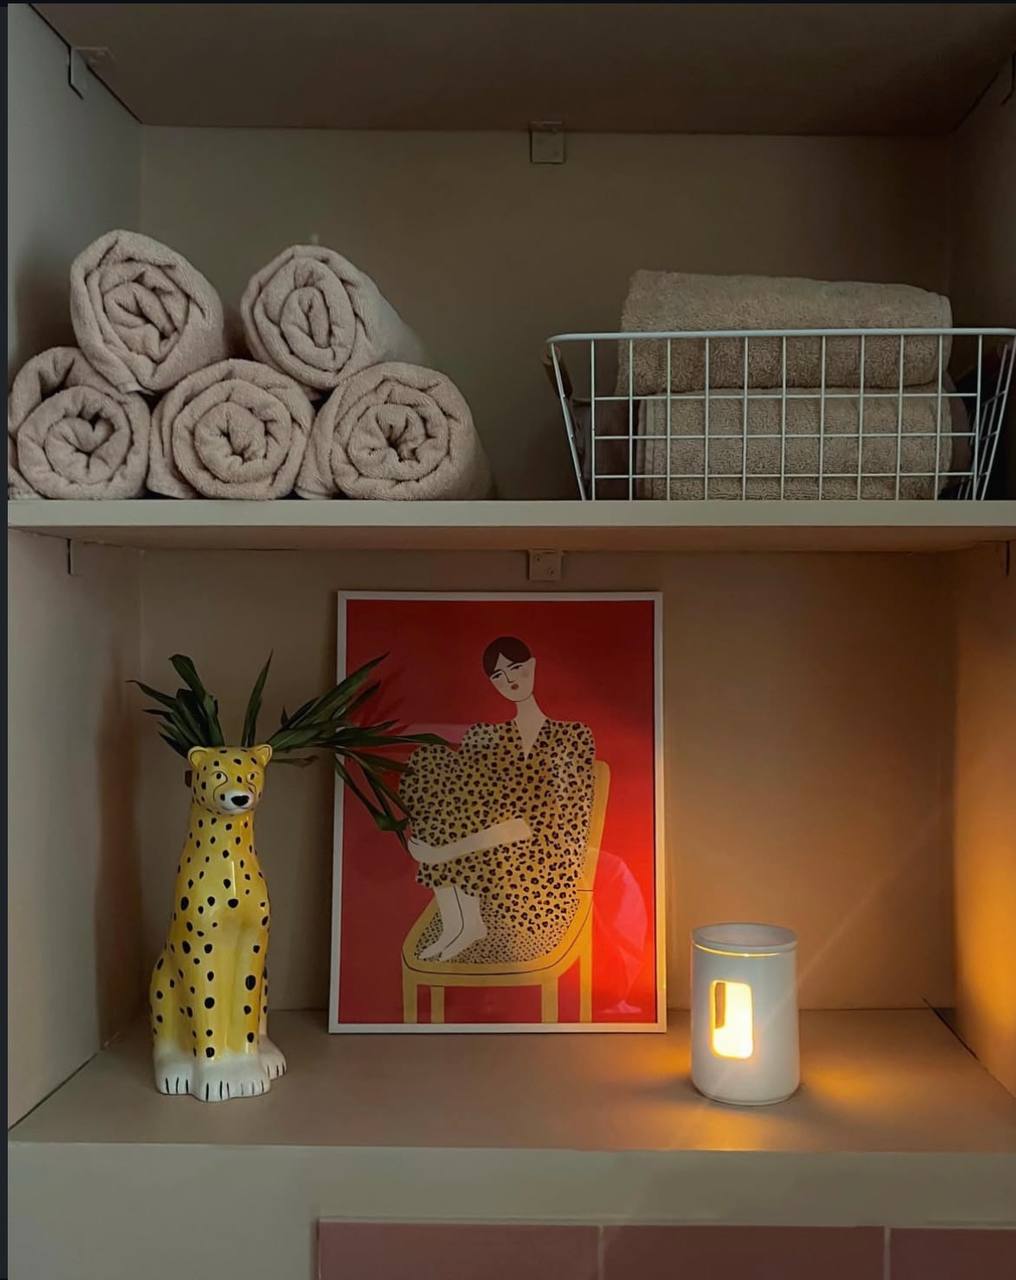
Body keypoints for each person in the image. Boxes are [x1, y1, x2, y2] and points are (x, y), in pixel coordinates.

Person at [401, 636, 595, 963]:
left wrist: (443, 852)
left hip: (541, 858)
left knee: (467, 820)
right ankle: (458, 924)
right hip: (492, 850)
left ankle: (467, 924)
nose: (510, 680)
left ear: (532, 665)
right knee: (431, 761)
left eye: (516, 668)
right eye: (498, 675)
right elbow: (468, 806)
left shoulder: (571, 735)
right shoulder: (490, 736)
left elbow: (536, 823)